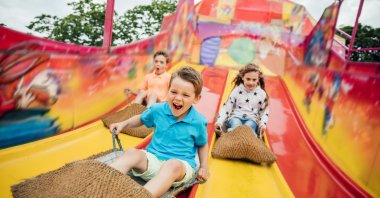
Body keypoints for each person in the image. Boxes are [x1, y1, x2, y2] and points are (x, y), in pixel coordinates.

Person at [110, 66, 209, 197]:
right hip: (153, 161)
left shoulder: (197, 121)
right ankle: (102, 181)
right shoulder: (158, 109)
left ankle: (142, 196)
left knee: (172, 165)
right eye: (174, 92)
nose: (178, 98)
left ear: (196, 98)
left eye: (185, 95)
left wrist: (203, 167)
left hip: (179, 168)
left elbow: (202, 144)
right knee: (131, 153)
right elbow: (141, 119)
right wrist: (123, 124)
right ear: (168, 91)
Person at [214, 64, 269, 139]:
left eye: (254, 80)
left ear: (258, 79)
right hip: (236, 117)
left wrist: (263, 124)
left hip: (252, 119)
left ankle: (249, 140)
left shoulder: (261, 94)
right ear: (242, 77)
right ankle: (232, 139)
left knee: (249, 127)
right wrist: (219, 121)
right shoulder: (237, 91)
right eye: (248, 79)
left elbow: (264, 112)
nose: (251, 82)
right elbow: (226, 108)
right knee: (236, 125)